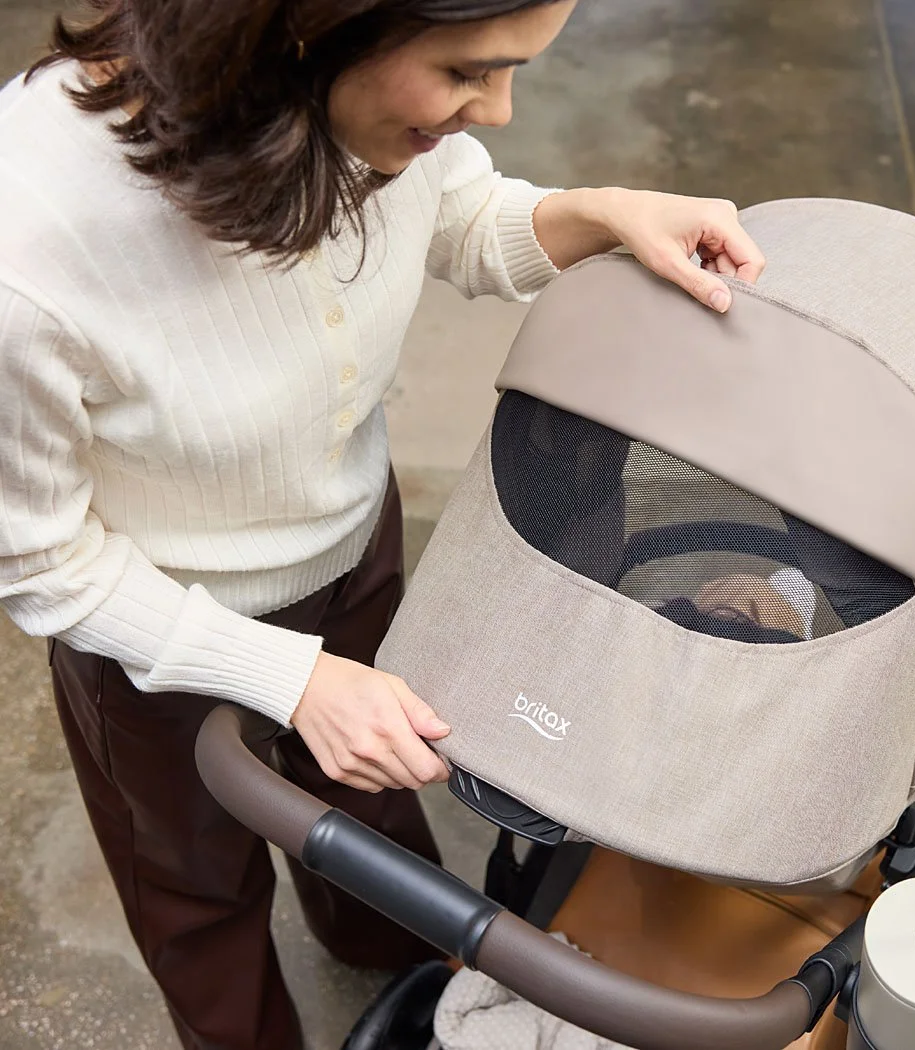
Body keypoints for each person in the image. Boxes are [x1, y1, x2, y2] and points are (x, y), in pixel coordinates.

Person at [0, 1, 767, 1047]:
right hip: (160, 639)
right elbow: (39, 560)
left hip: (354, 544)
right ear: (314, 28)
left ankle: (397, 964)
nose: (497, 110)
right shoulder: (31, 244)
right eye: (466, 71)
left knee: (371, 799)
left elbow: (456, 219)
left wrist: (605, 213)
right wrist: (291, 680)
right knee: (194, 886)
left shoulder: (367, 120)